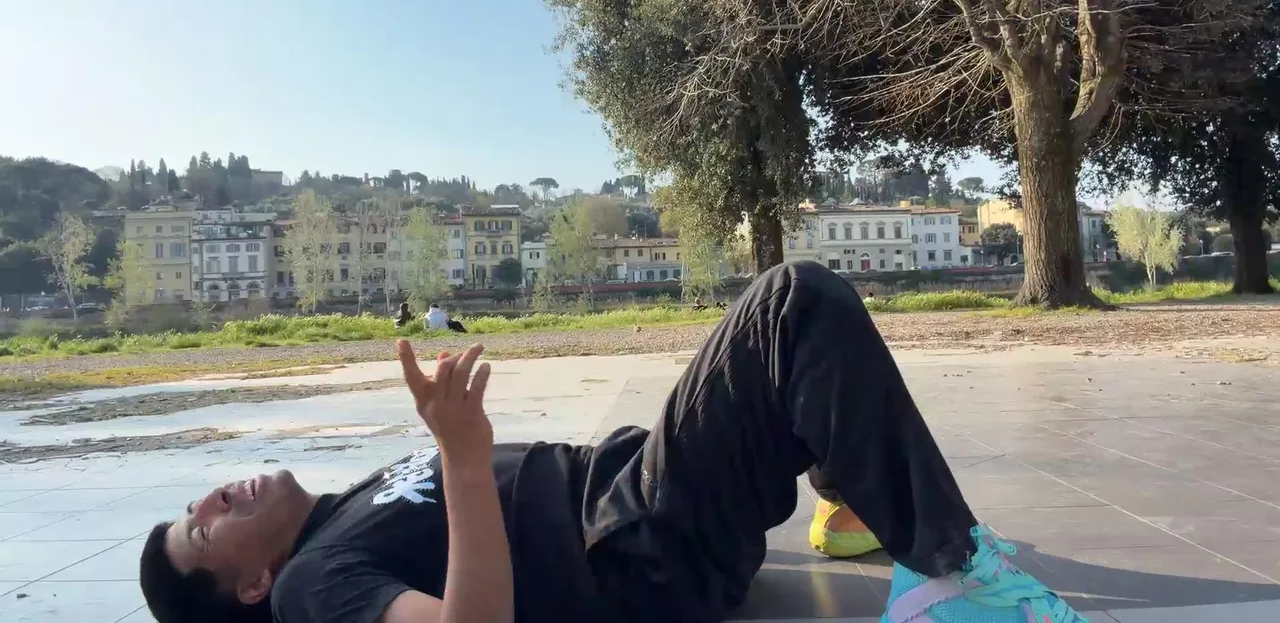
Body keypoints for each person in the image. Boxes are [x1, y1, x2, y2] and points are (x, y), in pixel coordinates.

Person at [138, 261, 1088, 623]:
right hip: (640, 550)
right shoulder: (309, 587)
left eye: (199, 500)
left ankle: (851, 503)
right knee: (793, 305)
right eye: (204, 528)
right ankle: (959, 581)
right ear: (250, 586)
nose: (216, 497)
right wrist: (463, 456)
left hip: (636, 499)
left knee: (782, 363)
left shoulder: (343, 510)